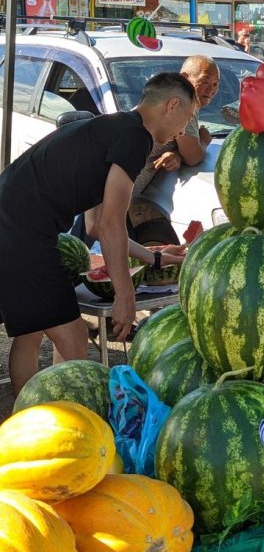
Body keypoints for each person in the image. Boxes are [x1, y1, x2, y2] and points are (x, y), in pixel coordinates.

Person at [0, 72, 196, 394]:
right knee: (74, 338)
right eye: (186, 118)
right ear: (172, 105)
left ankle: (32, 422)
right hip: (25, 231)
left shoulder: (112, 128)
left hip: (11, 220)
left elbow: (95, 224)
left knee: (31, 332)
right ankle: (57, 422)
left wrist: (154, 257)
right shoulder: (136, 138)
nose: (183, 130)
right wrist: (125, 295)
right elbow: (111, 224)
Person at [129, 55, 219, 242]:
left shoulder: (175, 105)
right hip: (112, 196)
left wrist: (177, 153)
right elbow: (193, 156)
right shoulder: (185, 106)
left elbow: (182, 149)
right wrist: (203, 141)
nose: (211, 90)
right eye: (205, 81)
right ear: (186, 78)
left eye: (216, 85)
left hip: (122, 197)